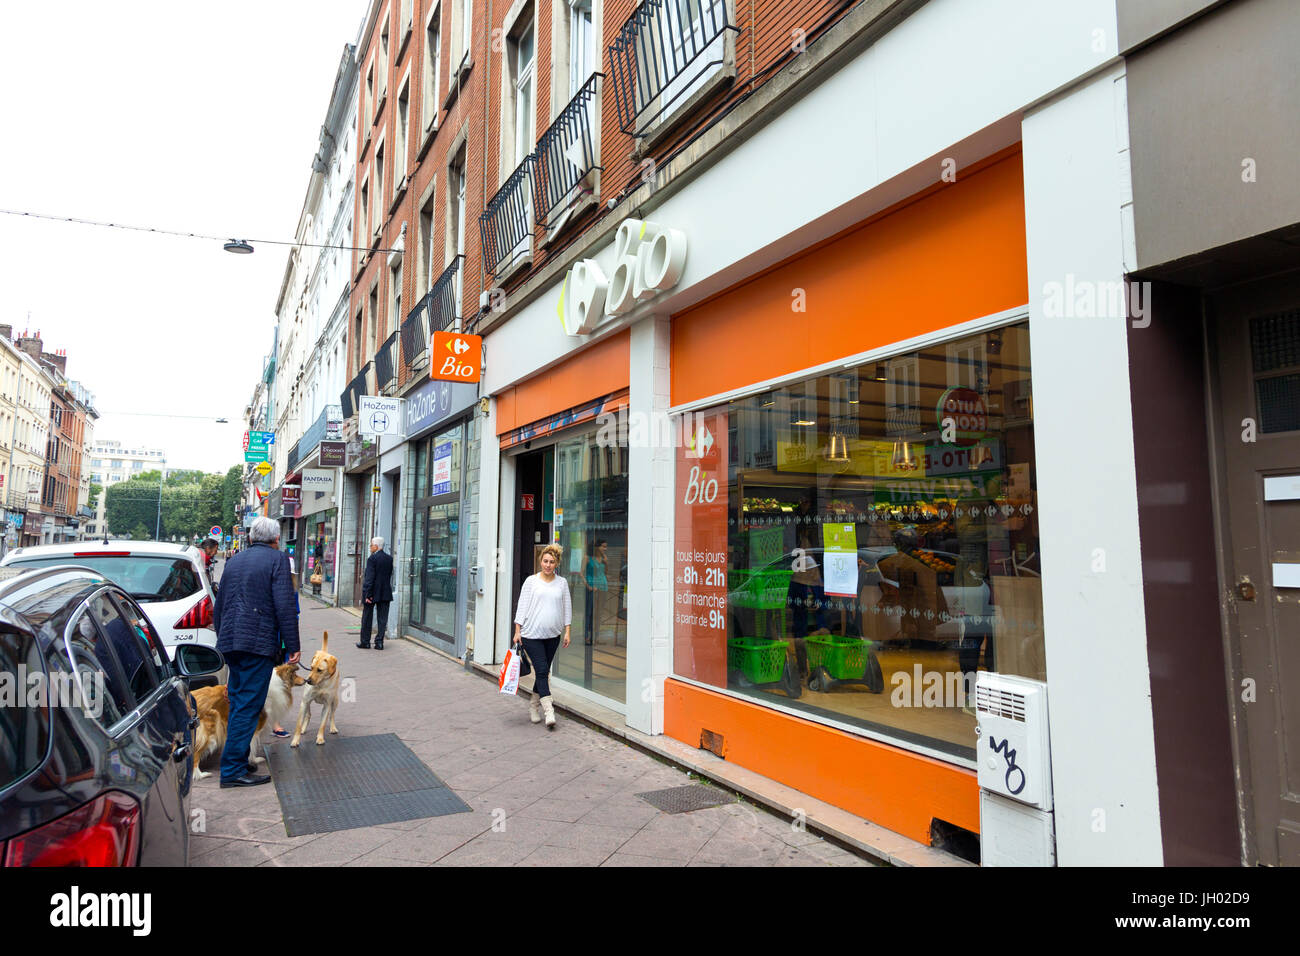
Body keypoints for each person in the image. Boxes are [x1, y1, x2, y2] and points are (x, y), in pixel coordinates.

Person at [212, 515, 300, 787]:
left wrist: (222, 635)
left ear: (250, 537)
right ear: (276, 539)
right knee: (248, 706)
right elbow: (285, 605)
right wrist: (293, 646)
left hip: (231, 642)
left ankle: (240, 761)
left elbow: (221, 603)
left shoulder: (235, 560)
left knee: (239, 702)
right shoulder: (278, 560)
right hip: (256, 644)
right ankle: (231, 771)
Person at [514, 544, 571, 730]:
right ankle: (549, 711)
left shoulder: (562, 583)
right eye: (545, 561)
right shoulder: (531, 581)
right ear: (540, 561)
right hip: (531, 634)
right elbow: (522, 606)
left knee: (543, 672)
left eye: (551, 562)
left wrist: (567, 630)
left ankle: (533, 706)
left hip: (553, 635)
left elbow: (567, 607)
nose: (548, 565)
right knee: (541, 669)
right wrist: (517, 630)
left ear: (557, 563)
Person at [356, 536, 393, 650]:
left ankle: (365, 642)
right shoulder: (389, 558)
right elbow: (389, 574)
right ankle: (379, 642)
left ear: (376, 546)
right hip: (385, 592)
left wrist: (368, 594)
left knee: (367, 617)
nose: (370, 547)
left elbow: (369, 578)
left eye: (371, 545)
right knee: (382, 618)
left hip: (372, 592)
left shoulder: (372, 559)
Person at [583, 538, 608, 646]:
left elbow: (606, 572)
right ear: (597, 547)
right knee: (589, 612)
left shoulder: (603, 559)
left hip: (603, 587)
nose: (605, 549)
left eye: (606, 547)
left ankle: (596, 637)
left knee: (599, 613)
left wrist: (606, 562)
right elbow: (581, 573)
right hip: (592, 587)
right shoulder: (587, 558)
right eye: (603, 546)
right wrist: (588, 586)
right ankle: (587, 636)